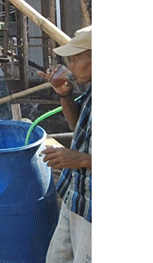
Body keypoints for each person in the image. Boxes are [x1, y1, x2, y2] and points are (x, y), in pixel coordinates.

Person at [38, 25, 92, 263]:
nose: (70, 65)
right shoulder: (93, 90)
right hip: (75, 195)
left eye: (74, 58)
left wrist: (80, 159)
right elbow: (78, 128)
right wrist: (64, 94)